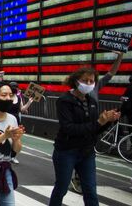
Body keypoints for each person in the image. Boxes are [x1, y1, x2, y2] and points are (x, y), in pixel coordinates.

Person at [49, 67, 120, 206]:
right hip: (66, 151)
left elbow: (94, 129)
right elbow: (69, 128)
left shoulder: (91, 101)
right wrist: (99, 122)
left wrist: (108, 121)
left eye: (91, 81)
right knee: (61, 187)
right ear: (76, 81)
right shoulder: (64, 101)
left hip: (87, 152)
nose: (88, 83)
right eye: (84, 80)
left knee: (90, 190)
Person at [7, 82, 34, 164]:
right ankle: (5, 155)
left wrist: (29, 102)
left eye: (15, 87)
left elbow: (22, 109)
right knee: (7, 139)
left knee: (16, 139)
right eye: (12, 87)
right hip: (6, 119)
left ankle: (13, 156)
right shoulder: (6, 97)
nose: (14, 88)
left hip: (15, 120)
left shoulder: (18, 98)